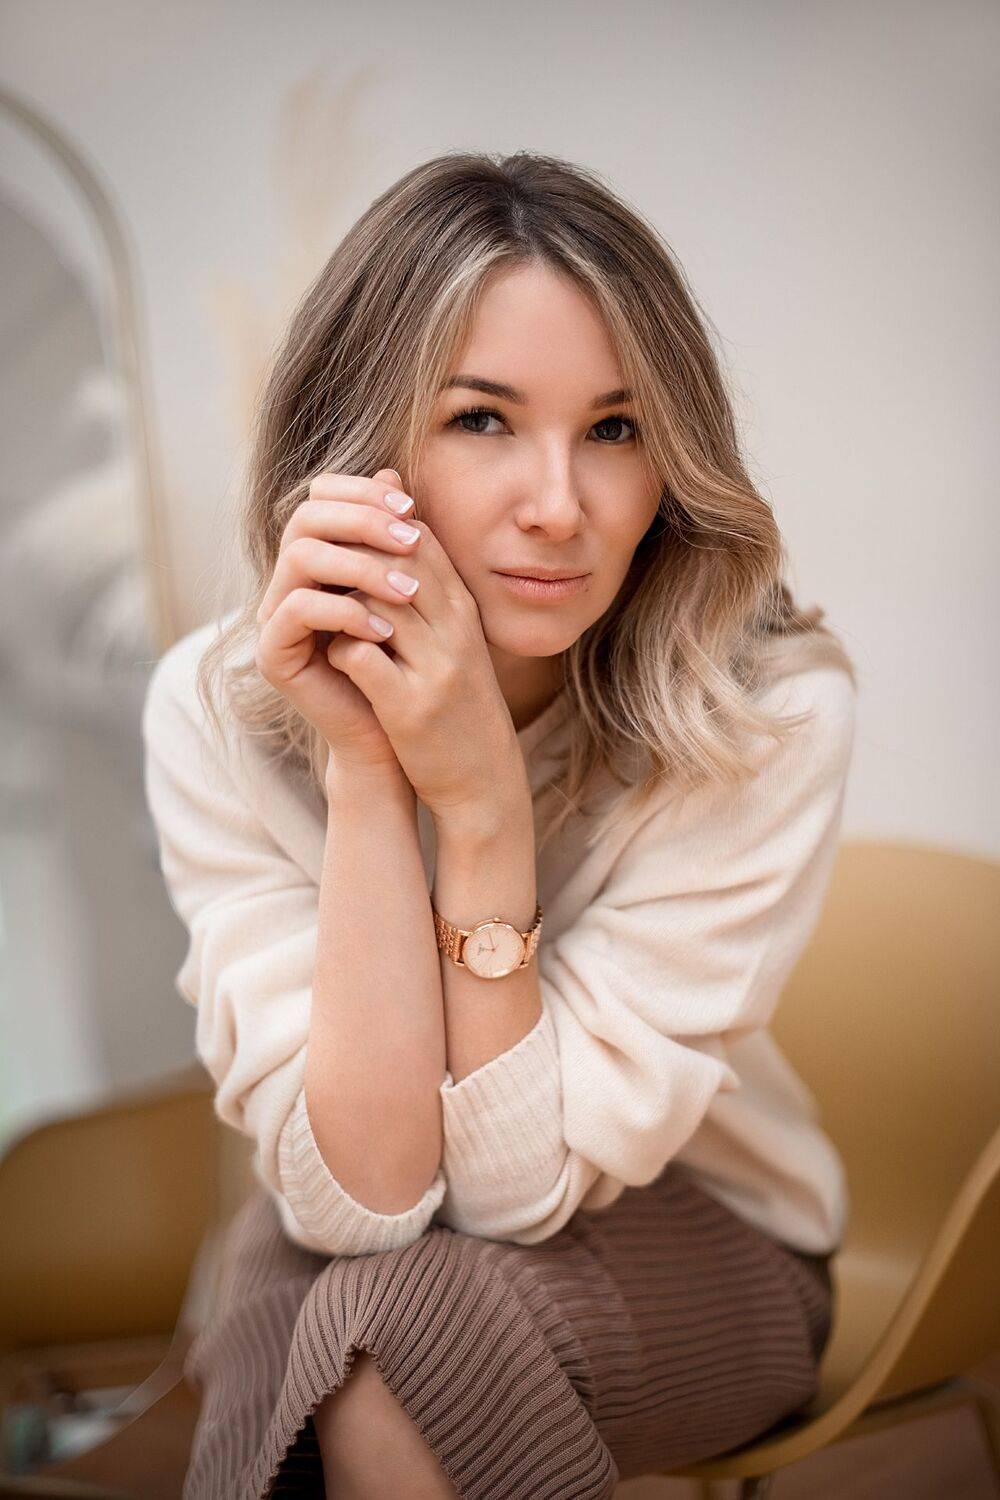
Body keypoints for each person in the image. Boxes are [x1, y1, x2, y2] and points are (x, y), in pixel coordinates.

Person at [142, 149, 857, 1500]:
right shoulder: (215, 707)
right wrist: (368, 766)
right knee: (297, 1286)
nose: (559, 506)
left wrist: (477, 804)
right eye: (482, 420)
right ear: (357, 446)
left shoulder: (763, 712)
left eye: (616, 430)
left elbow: (513, 1195)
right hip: (367, 1245)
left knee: (374, 1331)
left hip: (715, 1245)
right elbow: (362, 1201)